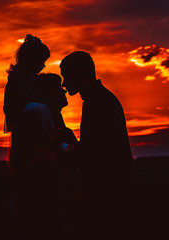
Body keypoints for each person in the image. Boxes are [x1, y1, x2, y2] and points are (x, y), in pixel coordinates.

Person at [60, 51, 134, 239]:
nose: (63, 82)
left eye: (65, 75)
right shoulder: (100, 99)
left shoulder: (98, 102)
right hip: (112, 190)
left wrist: (65, 149)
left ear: (78, 72)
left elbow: (97, 153)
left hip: (107, 193)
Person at [9, 73, 77, 240]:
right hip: (38, 204)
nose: (63, 91)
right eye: (57, 88)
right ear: (46, 93)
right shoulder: (33, 121)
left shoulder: (56, 122)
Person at [3, 34, 50, 132]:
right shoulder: (18, 81)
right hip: (26, 128)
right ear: (32, 59)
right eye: (42, 61)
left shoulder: (26, 79)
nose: (43, 65)